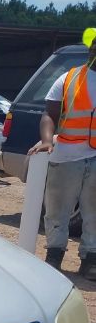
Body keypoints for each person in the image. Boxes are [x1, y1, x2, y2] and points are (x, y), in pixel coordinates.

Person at [28, 29, 96, 281]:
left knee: (94, 212)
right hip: (67, 155)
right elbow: (50, 114)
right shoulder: (69, 79)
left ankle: (91, 260)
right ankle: (54, 255)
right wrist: (47, 140)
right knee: (58, 210)